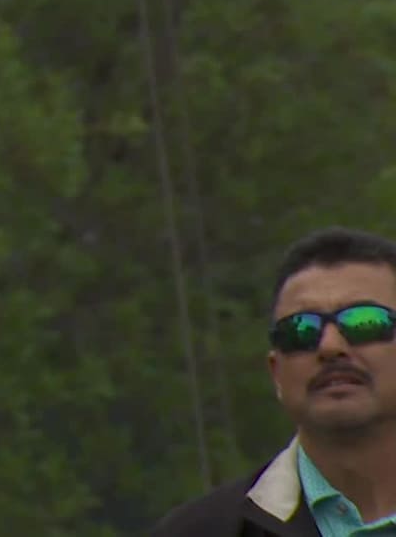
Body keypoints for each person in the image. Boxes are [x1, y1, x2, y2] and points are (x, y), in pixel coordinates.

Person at [152, 227, 396, 537]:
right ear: (275, 371)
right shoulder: (197, 530)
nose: (330, 346)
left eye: (364, 322)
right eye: (301, 330)